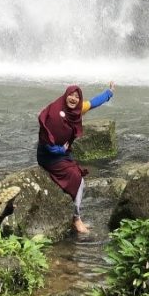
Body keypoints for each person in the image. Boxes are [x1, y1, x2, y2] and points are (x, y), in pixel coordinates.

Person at [37, 82, 115, 234]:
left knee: (79, 179)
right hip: (49, 155)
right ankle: (76, 219)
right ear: (65, 96)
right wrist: (60, 149)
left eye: (77, 96)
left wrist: (109, 93)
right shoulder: (54, 114)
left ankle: (75, 215)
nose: (73, 98)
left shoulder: (77, 110)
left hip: (63, 152)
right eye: (71, 95)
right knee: (77, 178)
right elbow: (45, 142)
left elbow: (93, 103)